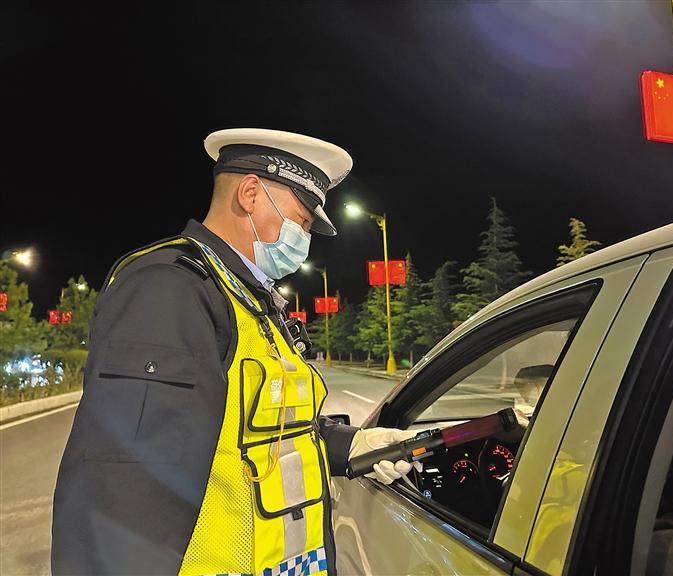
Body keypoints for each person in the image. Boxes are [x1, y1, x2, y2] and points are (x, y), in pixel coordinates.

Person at [51, 128, 421, 575]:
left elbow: (258, 434)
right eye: (301, 221)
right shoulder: (171, 289)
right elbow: (124, 483)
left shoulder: (246, 299)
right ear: (250, 194)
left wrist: (354, 445)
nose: (304, 237)